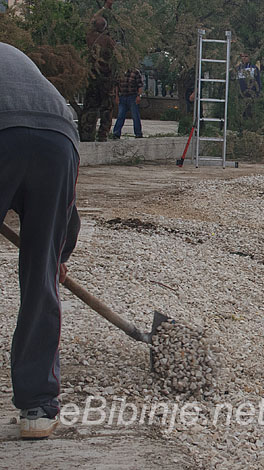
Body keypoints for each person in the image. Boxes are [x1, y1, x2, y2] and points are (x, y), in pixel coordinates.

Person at [0, 42, 81, 440]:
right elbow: (70, 208)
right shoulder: (18, 59)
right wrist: (56, 254)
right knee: (39, 280)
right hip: (59, 140)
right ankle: (37, 406)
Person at [79, 13, 116, 142]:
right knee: (107, 108)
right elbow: (114, 57)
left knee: (90, 107)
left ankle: (88, 134)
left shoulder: (88, 38)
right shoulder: (107, 40)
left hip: (92, 76)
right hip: (105, 78)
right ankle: (103, 134)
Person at [111, 67, 144, 138]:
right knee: (120, 115)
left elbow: (140, 85)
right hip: (122, 97)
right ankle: (116, 133)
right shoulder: (120, 72)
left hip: (132, 97)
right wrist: (116, 96)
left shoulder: (135, 72)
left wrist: (138, 96)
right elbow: (116, 85)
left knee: (135, 116)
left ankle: (138, 133)